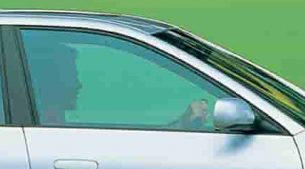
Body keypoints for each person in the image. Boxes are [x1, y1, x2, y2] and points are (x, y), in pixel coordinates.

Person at [30, 41, 211, 130]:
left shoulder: (46, 126)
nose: (78, 85)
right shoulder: (49, 134)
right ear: (50, 80)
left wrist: (182, 123)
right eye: (71, 76)